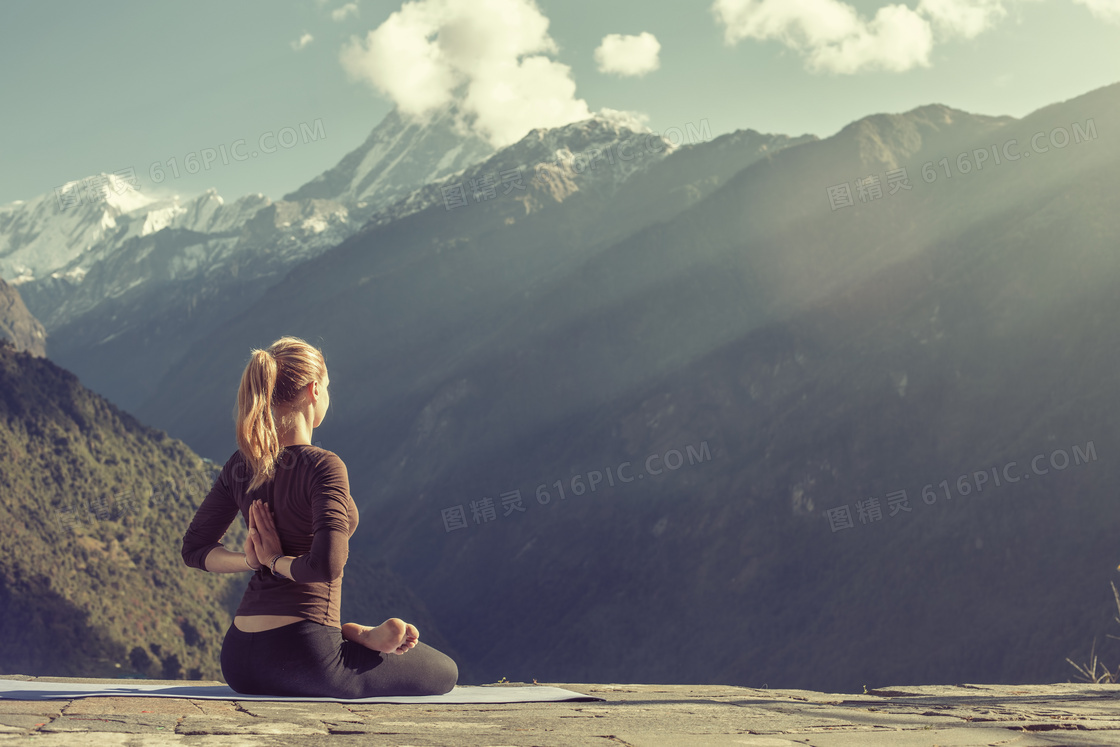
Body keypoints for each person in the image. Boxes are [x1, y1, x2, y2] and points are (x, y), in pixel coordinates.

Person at [181, 335, 458, 697]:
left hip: (238, 660)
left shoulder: (240, 465)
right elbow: (326, 566)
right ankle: (355, 637)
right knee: (445, 672)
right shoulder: (324, 466)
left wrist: (250, 562)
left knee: (357, 650)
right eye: (327, 387)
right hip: (304, 655)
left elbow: (195, 549)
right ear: (313, 390)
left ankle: (356, 635)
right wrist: (273, 560)